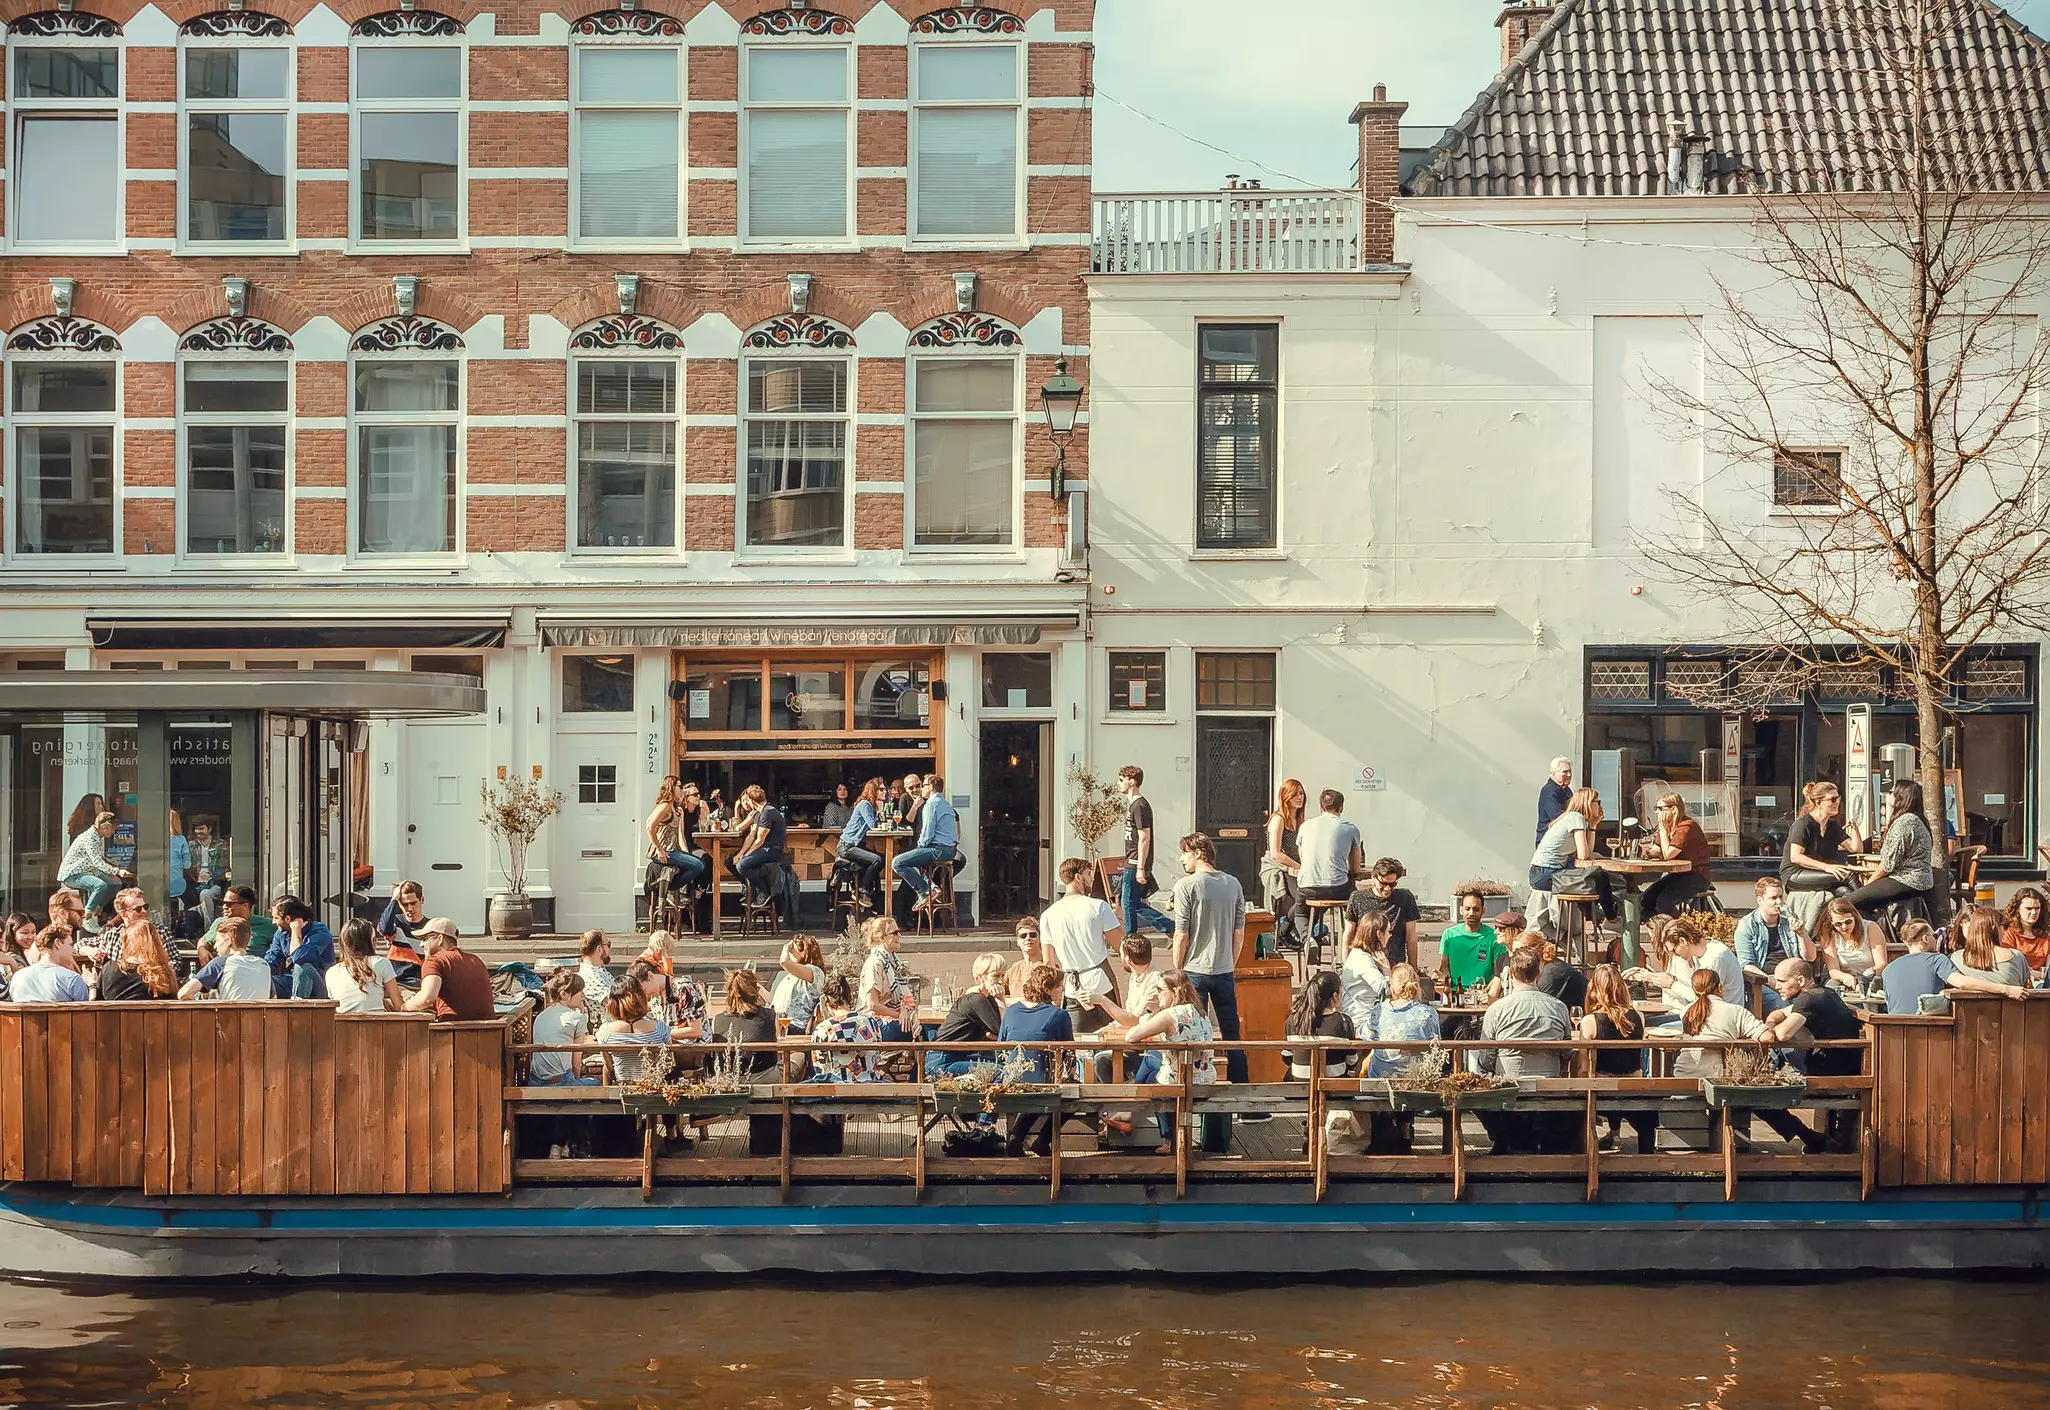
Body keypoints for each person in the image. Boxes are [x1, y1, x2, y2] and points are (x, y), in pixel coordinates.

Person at [1673, 969, 1824, 1153]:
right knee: (1761, 1099)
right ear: (1720, 987)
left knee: (1752, 1097)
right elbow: (1767, 1037)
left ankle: (1808, 1135)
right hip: (1718, 1081)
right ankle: (1807, 1135)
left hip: (1684, 1077)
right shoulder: (1734, 1011)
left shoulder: (1687, 1012)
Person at [1470, 947, 1576, 1155]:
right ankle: (1541, 1139)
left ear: (1510, 973)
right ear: (1539, 972)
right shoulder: (1558, 1007)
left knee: (1474, 1077)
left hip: (1509, 1085)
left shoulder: (1497, 1009)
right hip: (1548, 1084)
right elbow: (1567, 1051)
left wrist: (1488, 1071)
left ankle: (1502, 1137)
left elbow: (1486, 1057)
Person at [1170, 831, 1248, 1088]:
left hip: (1193, 968)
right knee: (1231, 1033)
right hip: (1224, 968)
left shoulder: (1186, 885)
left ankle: (1196, 1088)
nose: (1182, 859)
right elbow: (1239, 932)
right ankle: (1242, 1090)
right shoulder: (1234, 884)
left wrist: (1176, 968)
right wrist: (1231, 963)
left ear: (1197, 853)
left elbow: (1182, 933)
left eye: (1184, 853)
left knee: (1195, 1032)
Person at [1765, 957, 1864, 1151]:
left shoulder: (1807, 998)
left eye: (1782, 981)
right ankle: (1812, 1138)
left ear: (1800, 981)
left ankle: (1766, 1077)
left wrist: (1769, 1030)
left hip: (1829, 1074)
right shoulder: (1826, 992)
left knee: (1760, 1097)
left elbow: (1782, 1034)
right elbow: (1781, 1014)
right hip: (1843, 1067)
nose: (1777, 986)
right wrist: (1771, 1022)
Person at [1122, 968, 1217, 1151]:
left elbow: (1131, 1037)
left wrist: (1145, 1021)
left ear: (1174, 991)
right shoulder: (1199, 1011)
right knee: (1152, 1069)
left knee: (1151, 1069)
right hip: (1204, 1079)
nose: (1157, 995)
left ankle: (1160, 1133)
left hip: (1182, 1082)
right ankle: (1164, 1137)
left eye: (1160, 990)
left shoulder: (1169, 1015)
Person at [1039, 856, 1124, 1033]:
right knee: (1111, 1037)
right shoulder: (1098, 906)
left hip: (1072, 986)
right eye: (1088, 874)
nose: (1092, 879)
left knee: (1077, 1043)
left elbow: (1049, 963)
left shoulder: (1048, 914)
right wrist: (1120, 918)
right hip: (1100, 981)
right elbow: (1120, 946)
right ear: (1078, 877)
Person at [997, 965, 1075, 1155]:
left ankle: (1016, 1137)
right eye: (1059, 986)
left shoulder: (1012, 1011)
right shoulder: (1059, 1015)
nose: (1061, 991)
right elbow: (1069, 1055)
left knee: (1036, 1083)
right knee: (1071, 1089)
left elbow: (1000, 1045)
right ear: (1048, 989)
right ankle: (1042, 1139)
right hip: (1041, 1085)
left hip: (1008, 1080)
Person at [1580, 963, 1656, 1153]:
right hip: (1633, 1086)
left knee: (1583, 1085)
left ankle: (1587, 1149)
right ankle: (1644, 1155)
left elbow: (1583, 1067)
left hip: (1602, 1089)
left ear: (1594, 990)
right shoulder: (1639, 1016)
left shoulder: (1590, 1022)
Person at [1780, 781, 1864, 938]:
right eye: (1832, 799)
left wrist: (1855, 829)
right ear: (1818, 802)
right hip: (1795, 875)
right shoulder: (1803, 824)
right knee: (1848, 874)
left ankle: (1854, 926)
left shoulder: (1832, 826)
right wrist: (1827, 867)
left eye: (1837, 798)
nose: (1836, 803)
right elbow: (1795, 856)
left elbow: (1856, 849)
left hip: (1817, 874)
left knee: (1844, 892)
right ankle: (1868, 908)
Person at [1843, 778, 1936, 919]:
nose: (1888, 794)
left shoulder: (1904, 822)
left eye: (1891, 791)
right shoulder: (1918, 819)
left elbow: (1888, 864)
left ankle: (1873, 933)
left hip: (1906, 879)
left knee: (1848, 904)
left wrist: (1868, 884)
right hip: (1920, 880)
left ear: (1901, 797)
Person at [1529, 786, 1617, 924]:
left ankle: (1593, 916)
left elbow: (1585, 853)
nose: (1600, 806)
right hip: (1547, 873)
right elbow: (1583, 856)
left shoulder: (1570, 817)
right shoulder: (1576, 818)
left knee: (1594, 878)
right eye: (1598, 802)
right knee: (1601, 878)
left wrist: (1593, 825)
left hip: (1541, 872)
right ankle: (1611, 919)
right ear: (1588, 803)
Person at [1115, 765, 1174, 939]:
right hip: (1132, 860)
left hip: (1135, 862)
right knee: (1132, 903)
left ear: (1131, 781)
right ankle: (1169, 927)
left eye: (1121, 780)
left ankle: (1132, 938)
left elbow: (1144, 837)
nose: (1118, 784)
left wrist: (1140, 867)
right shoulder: (1133, 805)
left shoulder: (1140, 806)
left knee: (1128, 903)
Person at [928, 952, 1007, 1080]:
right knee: (1003, 1072)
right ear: (980, 978)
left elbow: (996, 1035)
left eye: (1003, 975)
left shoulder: (986, 998)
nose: (1001, 980)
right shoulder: (976, 1000)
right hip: (943, 1062)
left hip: (956, 1057)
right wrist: (1001, 1000)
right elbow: (1004, 1032)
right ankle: (989, 1100)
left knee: (998, 1064)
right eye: (996, 976)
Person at [1733, 878, 1808, 1013]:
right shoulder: (1747, 925)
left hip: (1794, 978)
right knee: (1783, 1007)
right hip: (1764, 981)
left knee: (1816, 1002)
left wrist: (1802, 935)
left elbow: (1810, 957)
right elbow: (1746, 964)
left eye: (1780, 897)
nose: (1779, 902)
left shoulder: (1789, 919)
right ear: (1760, 901)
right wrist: (1773, 981)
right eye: (1773, 898)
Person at [403, 917, 495, 1021]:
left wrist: (404, 1007)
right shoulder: (476, 960)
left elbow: (427, 998)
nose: (421, 945)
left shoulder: (434, 961)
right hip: (490, 1030)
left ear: (440, 939)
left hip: (451, 1032)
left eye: (425, 939)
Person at [894, 774, 959, 916]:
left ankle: (926, 891)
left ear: (930, 787)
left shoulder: (931, 804)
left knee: (897, 862)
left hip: (938, 849)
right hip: (949, 849)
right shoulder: (945, 803)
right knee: (913, 863)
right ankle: (930, 888)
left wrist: (919, 849)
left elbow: (927, 834)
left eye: (922, 785)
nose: (920, 789)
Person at [1641, 794, 1714, 916]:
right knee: (1646, 899)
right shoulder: (1667, 827)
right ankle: (1657, 930)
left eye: (1660, 808)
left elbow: (1669, 854)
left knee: (1663, 902)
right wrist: (1648, 853)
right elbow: (1658, 850)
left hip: (1696, 876)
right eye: (1656, 808)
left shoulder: (1687, 826)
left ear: (1674, 809)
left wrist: (1663, 830)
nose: (1656, 812)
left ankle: (1677, 930)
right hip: (1677, 875)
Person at [1367, 963, 1441, 1079]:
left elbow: (1367, 1036)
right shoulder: (1428, 1013)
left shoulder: (1379, 1011)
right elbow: (1436, 1047)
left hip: (1380, 1077)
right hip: (1417, 1078)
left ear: (1392, 987)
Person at [808, 973, 885, 1084]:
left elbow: (819, 1067)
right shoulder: (870, 1022)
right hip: (868, 1086)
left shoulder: (822, 1029)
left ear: (827, 1002)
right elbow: (877, 1056)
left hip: (833, 1090)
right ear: (849, 996)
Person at [596, 974, 674, 1084]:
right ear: (641, 998)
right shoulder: (660, 1028)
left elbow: (609, 1067)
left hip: (623, 1088)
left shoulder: (605, 1031)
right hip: (654, 1088)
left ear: (612, 1003)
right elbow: (669, 1061)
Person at [57, 811, 130, 926]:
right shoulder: (90, 838)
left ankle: (97, 908)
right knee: (100, 886)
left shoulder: (98, 836)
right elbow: (96, 862)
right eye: (112, 828)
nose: (114, 831)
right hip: (74, 873)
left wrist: (107, 860)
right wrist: (117, 871)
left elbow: (95, 855)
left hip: (89, 870)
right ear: (104, 827)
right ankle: (87, 914)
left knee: (115, 883)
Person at [1294, 789, 1363, 909]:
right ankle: (1352, 926)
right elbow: (1356, 869)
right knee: (1356, 901)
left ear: (1321, 807)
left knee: (1301, 912)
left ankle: (1289, 927)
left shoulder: (1305, 826)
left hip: (1307, 886)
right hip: (1337, 888)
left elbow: (1303, 858)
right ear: (1341, 808)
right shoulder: (1350, 828)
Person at [177, 916, 274, 1000]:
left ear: (228, 940)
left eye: (218, 940)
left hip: (229, 1020)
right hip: (260, 1021)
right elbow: (274, 999)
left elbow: (184, 993)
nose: (215, 946)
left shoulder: (221, 963)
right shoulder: (264, 965)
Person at [1262, 778, 1308, 951]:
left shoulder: (1302, 821)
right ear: (1285, 797)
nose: (1299, 797)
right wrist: (1299, 867)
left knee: (1316, 895)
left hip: (1298, 866)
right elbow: (1276, 853)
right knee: (1304, 897)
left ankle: (1285, 929)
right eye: (1295, 794)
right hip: (1281, 866)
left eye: (1301, 793)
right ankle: (1290, 932)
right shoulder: (1278, 819)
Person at [1346, 857, 1420, 966]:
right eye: (1383, 884)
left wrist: (1414, 968)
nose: (1387, 888)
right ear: (1373, 877)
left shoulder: (1405, 897)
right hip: (1365, 964)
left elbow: (1411, 937)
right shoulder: (1358, 898)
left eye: (1392, 884)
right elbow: (1348, 934)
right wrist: (1346, 965)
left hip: (1395, 965)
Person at [94, 905, 178, 1001]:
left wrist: (92, 985)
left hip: (114, 1016)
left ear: (127, 943)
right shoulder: (163, 973)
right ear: (156, 943)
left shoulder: (108, 969)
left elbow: (98, 1002)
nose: (143, 911)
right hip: (155, 1016)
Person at [530, 969, 598, 1087]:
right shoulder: (577, 1018)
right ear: (564, 994)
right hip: (560, 1082)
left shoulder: (541, 1016)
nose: (583, 995)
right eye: (579, 991)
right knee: (596, 1083)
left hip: (535, 1082)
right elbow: (576, 1064)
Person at [1438, 889, 1506, 1005]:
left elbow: (1498, 973)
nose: (1471, 913)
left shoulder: (1493, 937)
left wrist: (1489, 995)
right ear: (1460, 910)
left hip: (1481, 995)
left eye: (1476, 909)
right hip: (1455, 994)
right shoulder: (1449, 935)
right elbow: (1444, 967)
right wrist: (1441, 977)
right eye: (1467, 909)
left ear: (1483, 911)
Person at [708, 969, 779, 1080]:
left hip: (728, 1079)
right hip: (764, 1077)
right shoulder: (770, 1015)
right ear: (756, 991)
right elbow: (777, 1041)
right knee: (799, 1057)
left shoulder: (717, 1019)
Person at [645, 775, 710, 896]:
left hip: (672, 850)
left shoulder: (675, 808)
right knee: (698, 865)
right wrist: (659, 849)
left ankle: (672, 887)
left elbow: (680, 835)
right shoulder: (664, 806)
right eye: (679, 786)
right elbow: (649, 826)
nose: (681, 789)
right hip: (665, 852)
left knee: (698, 863)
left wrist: (686, 853)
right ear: (672, 788)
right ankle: (672, 888)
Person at [1284, 971, 1356, 1079]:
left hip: (1298, 1090)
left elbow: (1287, 1056)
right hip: (1335, 1091)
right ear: (1335, 995)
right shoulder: (1343, 1021)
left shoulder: (1293, 1020)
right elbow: (1352, 1061)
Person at [727, 784, 788, 909]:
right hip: (763, 849)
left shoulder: (767, 813)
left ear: (751, 800)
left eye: (747, 799)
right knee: (730, 862)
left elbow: (759, 840)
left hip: (772, 850)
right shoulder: (759, 813)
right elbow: (751, 836)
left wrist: (744, 856)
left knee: (742, 865)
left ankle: (763, 891)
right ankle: (752, 889)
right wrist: (740, 853)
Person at [264, 896, 334, 1000]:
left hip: (317, 987)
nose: (273, 922)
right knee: (265, 981)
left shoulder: (319, 931)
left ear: (288, 919)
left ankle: (297, 1010)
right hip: (288, 983)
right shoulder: (281, 934)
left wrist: (296, 930)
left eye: (276, 918)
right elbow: (271, 959)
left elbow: (299, 957)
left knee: (301, 967)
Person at [326, 919, 401, 1014]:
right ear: (369, 942)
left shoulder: (331, 973)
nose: (376, 943)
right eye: (374, 939)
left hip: (343, 1026)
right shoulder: (381, 963)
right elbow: (398, 1005)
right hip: (377, 1026)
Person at [859, 916, 916, 1041]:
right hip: (874, 1024)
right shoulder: (875, 963)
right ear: (881, 937)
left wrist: (904, 1011)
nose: (899, 936)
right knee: (923, 1030)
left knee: (929, 1027)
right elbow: (873, 1005)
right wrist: (899, 1014)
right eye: (894, 933)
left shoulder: (892, 963)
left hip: (890, 1018)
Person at [1948, 906, 2031, 991]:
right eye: (2003, 927)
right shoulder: (2016, 957)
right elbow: (2026, 990)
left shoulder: (1955, 959)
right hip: (2011, 1004)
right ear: (1994, 928)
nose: (2005, 932)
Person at [835, 777, 888, 912]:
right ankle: (861, 891)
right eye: (881, 789)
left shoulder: (869, 805)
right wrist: (881, 810)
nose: (885, 792)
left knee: (882, 859)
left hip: (855, 846)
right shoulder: (865, 804)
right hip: (846, 846)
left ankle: (874, 900)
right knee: (877, 860)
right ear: (873, 791)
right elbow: (873, 826)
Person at [1338, 910, 1392, 1038]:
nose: (1390, 935)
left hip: (1363, 1017)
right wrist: (1387, 971)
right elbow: (1385, 990)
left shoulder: (1360, 954)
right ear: (1379, 934)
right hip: (1362, 1022)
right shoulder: (1362, 959)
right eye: (1388, 931)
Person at [1817, 896, 1885, 993]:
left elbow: (1881, 963)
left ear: (1855, 917)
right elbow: (1833, 970)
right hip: (1845, 980)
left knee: (1873, 985)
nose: (1844, 927)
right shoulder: (1828, 934)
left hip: (1870, 978)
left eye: (1848, 922)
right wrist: (1844, 977)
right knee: (1831, 987)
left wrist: (1870, 972)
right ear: (1831, 923)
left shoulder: (1870, 928)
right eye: (1838, 924)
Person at [10, 926, 89, 1004]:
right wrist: (93, 986)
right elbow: (86, 1014)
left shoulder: (18, 976)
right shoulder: (72, 979)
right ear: (57, 943)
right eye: (70, 944)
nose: (73, 950)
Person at [197, 886, 272, 967]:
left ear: (245, 906)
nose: (224, 907)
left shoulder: (266, 924)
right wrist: (202, 950)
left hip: (255, 970)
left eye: (229, 904)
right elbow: (204, 941)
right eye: (223, 903)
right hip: (224, 969)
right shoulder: (220, 923)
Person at [375, 880, 430, 986]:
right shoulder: (396, 923)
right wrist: (394, 899)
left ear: (422, 900)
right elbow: (384, 928)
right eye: (405, 904)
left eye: (413, 903)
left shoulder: (430, 926)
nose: (410, 908)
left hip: (421, 983)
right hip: (397, 982)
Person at [772, 936, 828, 1032]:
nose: (790, 952)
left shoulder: (815, 972)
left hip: (796, 1025)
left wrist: (786, 947)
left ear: (803, 953)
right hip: (780, 1023)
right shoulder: (790, 976)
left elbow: (784, 962)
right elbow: (774, 1001)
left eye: (792, 950)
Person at [1522, 934, 1588, 1011]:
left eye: (1518, 952)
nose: (1514, 957)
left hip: (1582, 1015)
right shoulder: (1547, 967)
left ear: (1532, 953)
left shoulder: (1551, 973)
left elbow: (1542, 1010)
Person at [188, 816, 229, 925]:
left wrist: (210, 876)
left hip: (215, 883)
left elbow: (224, 866)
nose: (198, 832)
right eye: (196, 829)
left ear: (209, 829)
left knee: (206, 894)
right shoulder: (191, 846)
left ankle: (208, 929)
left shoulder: (220, 845)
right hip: (195, 883)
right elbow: (186, 866)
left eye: (201, 829)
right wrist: (196, 876)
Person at [2001, 887, 2050, 976]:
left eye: (2037, 908)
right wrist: (2039, 975)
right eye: (2029, 908)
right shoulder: (2008, 933)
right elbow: (2010, 966)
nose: (2034, 912)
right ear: (2017, 910)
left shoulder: (2045, 934)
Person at [577, 930, 614, 1030]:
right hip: (611, 1030)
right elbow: (615, 1003)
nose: (610, 949)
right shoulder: (590, 976)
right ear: (599, 949)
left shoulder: (597, 970)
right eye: (608, 944)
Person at [1005, 916, 1043, 1004]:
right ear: (1018, 941)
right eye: (1023, 936)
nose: (1028, 938)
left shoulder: (1047, 967)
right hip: (1016, 1014)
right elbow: (998, 987)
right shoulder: (1015, 968)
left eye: (1032, 935)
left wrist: (1007, 1001)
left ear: (1040, 939)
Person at [1535, 757, 1573, 846]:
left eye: (1570, 771)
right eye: (1565, 772)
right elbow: (1558, 818)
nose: (1569, 774)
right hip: (1549, 842)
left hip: (1562, 841)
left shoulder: (1566, 790)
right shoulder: (1550, 791)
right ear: (1553, 774)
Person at [164, 809, 193, 919]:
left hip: (157, 884)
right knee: (193, 902)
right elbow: (187, 865)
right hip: (176, 883)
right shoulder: (180, 840)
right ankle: (189, 928)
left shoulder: (155, 839)